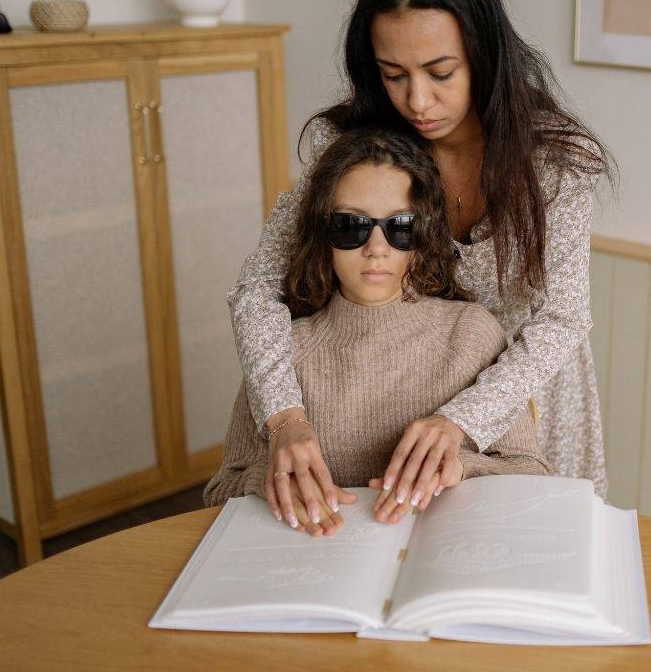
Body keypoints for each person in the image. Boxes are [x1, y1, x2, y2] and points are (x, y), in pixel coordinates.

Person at [228, 0, 614, 526]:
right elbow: (257, 289)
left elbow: (562, 317)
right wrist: (285, 418)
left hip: (522, 397)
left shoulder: (552, 164)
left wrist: (463, 420)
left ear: (483, 54)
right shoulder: (357, 148)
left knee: (529, 544)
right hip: (403, 392)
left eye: (441, 72)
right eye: (393, 75)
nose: (417, 101)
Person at [205, 127, 548, 536]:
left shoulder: (471, 335)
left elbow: (532, 472)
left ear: (424, 234)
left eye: (401, 226)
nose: (376, 248)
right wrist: (269, 483)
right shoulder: (281, 354)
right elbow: (221, 490)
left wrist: (462, 467)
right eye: (352, 225)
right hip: (321, 557)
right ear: (323, 234)